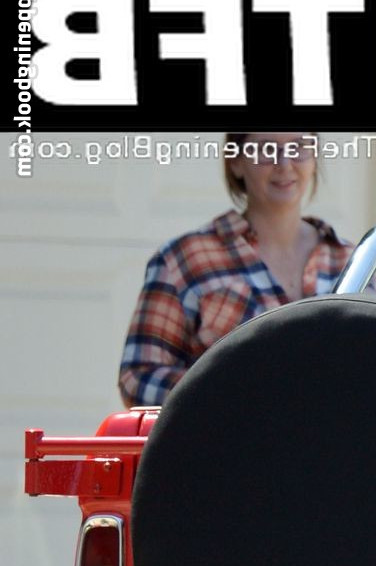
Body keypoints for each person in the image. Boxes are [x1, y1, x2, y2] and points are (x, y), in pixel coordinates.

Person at [118, 131, 355, 407]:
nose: (284, 162)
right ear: (236, 161)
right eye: (266, 149)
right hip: (224, 446)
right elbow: (137, 377)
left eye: (299, 145)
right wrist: (229, 394)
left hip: (332, 447)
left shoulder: (349, 260)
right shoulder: (183, 259)